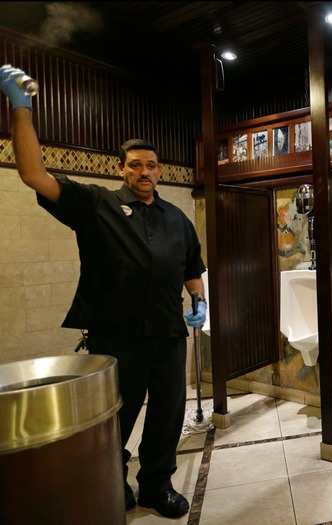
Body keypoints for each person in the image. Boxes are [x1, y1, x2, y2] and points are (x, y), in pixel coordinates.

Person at [0, 65, 207, 519]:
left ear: (160, 170)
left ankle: (156, 485)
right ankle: (114, 482)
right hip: (117, 337)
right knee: (116, 418)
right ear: (122, 169)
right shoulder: (98, 206)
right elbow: (34, 174)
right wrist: (21, 108)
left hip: (170, 336)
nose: (145, 172)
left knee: (167, 417)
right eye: (136, 165)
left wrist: (199, 300)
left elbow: (192, 266)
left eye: (152, 165)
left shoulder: (178, 219)